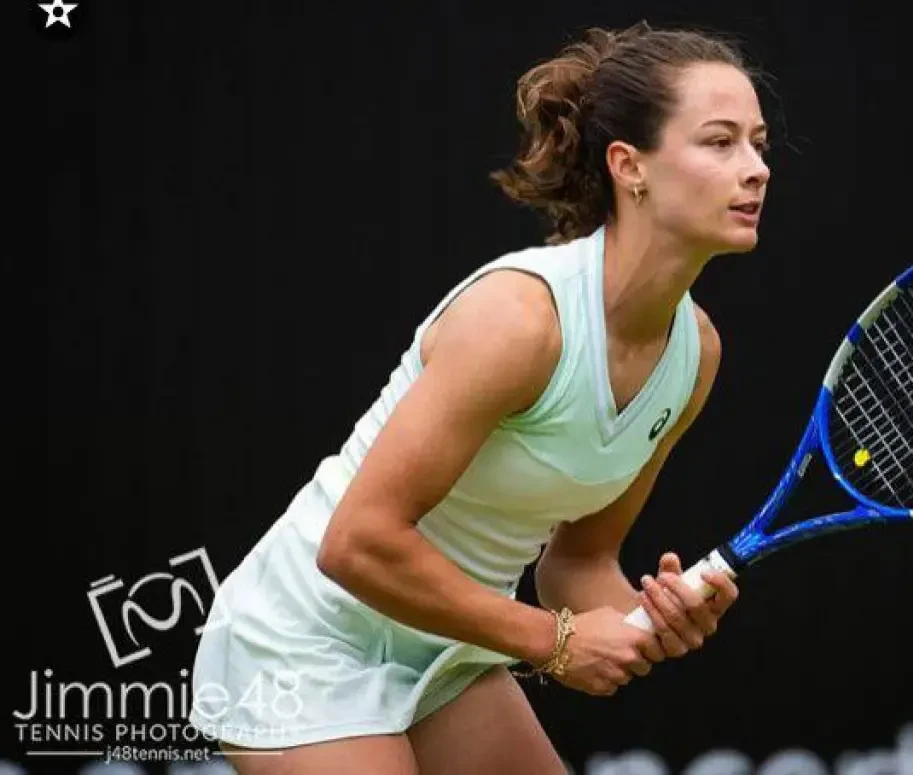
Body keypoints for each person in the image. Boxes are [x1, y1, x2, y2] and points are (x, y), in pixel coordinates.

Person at [187, 19, 772, 774]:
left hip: (448, 649)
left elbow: (578, 561)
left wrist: (649, 616)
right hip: (301, 642)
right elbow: (355, 542)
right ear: (630, 166)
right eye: (721, 142)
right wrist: (556, 641)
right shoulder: (521, 320)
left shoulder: (694, 357)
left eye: (759, 143)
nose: (756, 169)